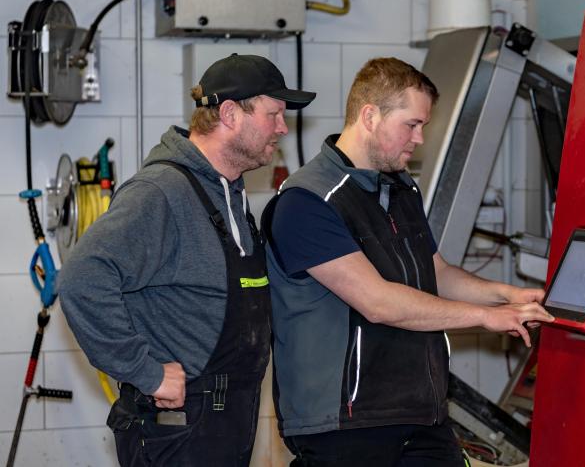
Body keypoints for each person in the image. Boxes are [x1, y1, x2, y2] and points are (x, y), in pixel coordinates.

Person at [262, 57, 554, 467]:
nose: (419, 139)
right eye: (411, 125)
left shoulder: (400, 188)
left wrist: (509, 297)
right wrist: (485, 318)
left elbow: (437, 273)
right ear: (369, 116)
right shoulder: (306, 202)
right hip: (347, 424)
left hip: (420, 411)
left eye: (423, 127)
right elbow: (377, 303)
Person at [58, 54, 315, 466]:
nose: (283, 129)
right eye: (274, 114)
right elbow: (81, 279)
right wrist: (147, 373)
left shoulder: (230, 192)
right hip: (177, 434)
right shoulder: (161, 192)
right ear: (231, 113)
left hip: (226, 424)